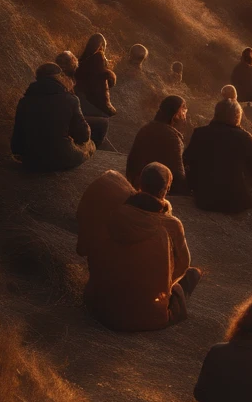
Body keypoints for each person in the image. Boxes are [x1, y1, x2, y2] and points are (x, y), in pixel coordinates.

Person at [86, 162, 201, 332]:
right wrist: (164, 286)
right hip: (144, 319)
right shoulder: (171, 224)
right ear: (165, 190)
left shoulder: (116, 213)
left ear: (140, 183)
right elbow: (183, 265)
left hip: (100, 309)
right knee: (192, 274)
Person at [183, 94, 252, 229]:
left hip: (204, 199)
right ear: (237, 116)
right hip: (237, 202)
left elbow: (186, 160)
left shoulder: (199, 133)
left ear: (216, 114)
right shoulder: (245, 137)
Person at [11, 62, 95, 172]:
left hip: (31, 160)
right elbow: (83, 135)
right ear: (58, 77)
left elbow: (16, 143)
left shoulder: (24, 101)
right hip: (60, 159)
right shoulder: (71, 100)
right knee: (91, 145)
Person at [76, 169, 135, 307]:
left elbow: (81, 249)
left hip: (94, 298)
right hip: (113, 305)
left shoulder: (93, 209)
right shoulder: (133, 223)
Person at [125, 95, 189, 193]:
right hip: (154, 187)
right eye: (183, 109)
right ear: (175, 114)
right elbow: (178, 174)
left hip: (137, 181)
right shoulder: (172, 137)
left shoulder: (146, 128)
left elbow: (132, 162)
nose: (185, 112)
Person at [54, 51, 110, 148]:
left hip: (61, 115)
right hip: (64, 121)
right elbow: (73, 111)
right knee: (103, 121)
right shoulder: (66, 82)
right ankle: (93, 147)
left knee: (100, 117)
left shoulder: (52, 77)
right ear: (74, 64)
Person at [75, 33, 117, 117]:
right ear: (101, 48)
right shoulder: (100, 68)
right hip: (90, 108)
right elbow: (101, 96)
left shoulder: (78, 62)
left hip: (77, 104)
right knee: (105, 120)